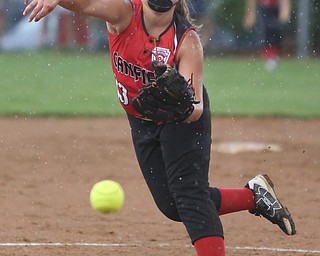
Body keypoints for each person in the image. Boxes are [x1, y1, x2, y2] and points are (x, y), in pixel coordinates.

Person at [23, 0, 296, 255]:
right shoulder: (125, 14)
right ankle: (254, 196)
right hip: (141, 119)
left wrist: (182, 107)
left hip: (181, 122)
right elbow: (87, 3)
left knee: (189, 197)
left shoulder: (187, 41)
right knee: (171, 206)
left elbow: (196, 108)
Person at [244, 0, 291, 71]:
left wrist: (285, 9)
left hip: (276, 6)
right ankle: (269, 56)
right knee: (266, 29)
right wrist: (250, 14)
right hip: (263, 7)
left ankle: (275, 54)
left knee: (277, 29)